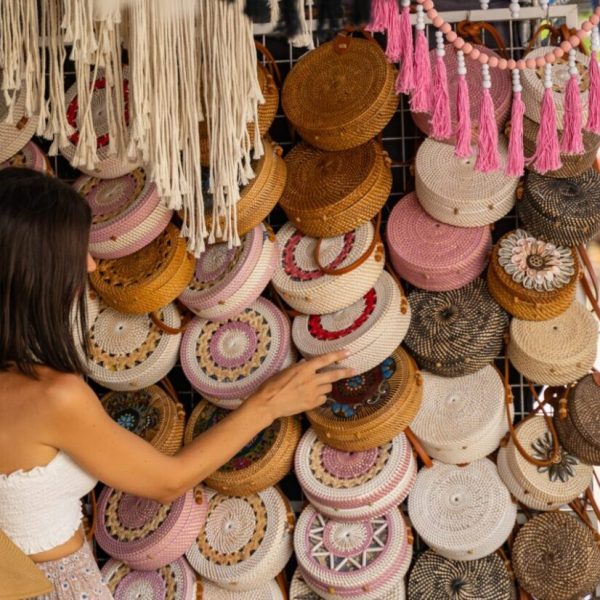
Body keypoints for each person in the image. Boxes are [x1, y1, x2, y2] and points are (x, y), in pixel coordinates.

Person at [0, 167, 353, 598]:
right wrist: (268, 403)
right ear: (33, 265)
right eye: (74, 250)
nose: (90, 264)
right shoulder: (52, 398)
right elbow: (169, 480)